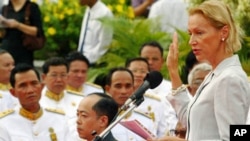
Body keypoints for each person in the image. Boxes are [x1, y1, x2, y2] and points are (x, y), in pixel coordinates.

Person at [152, 0, 250, 140]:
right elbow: (193, 121)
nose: (192, 41)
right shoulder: (216, 74)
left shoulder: (229, 79)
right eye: (190, 33)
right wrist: (173, 72)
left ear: (224, 32)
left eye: (199, 33)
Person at [0, 63, 71, 140]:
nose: (30, 90)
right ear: (13, 92)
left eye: (34, 83)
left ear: (41, 86)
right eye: (23, 86)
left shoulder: (59, 119)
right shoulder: (3, 123)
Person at [125, 57, 178, 134]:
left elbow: (163, 132)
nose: (138, 74)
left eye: (143, 71)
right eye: (134, 71)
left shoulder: (157, 102)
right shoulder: (118, 98)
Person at [105, 67, 157, 141]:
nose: (123, 91)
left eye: (128, 86)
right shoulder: (102, 120)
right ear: (108, 89)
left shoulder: (146, 121)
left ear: (133, 88)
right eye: (118, 86)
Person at [40, 57, 83, 140]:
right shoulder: (37, 101)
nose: (59, 80)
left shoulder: (80, 100)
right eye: (54, 75)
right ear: (44, 77)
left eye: (63, 75)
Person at [0, 0, 44, 67]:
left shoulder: (31, 7)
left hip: (24, 51)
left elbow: (38, 31)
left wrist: (18, 25)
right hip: (7, 49)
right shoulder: (5, 8)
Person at [77, 0, 113, 64]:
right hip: (82, 61)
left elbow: (103, 46)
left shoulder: (105, 14)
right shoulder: (88, 9)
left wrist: (86, 61)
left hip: (93, 63)